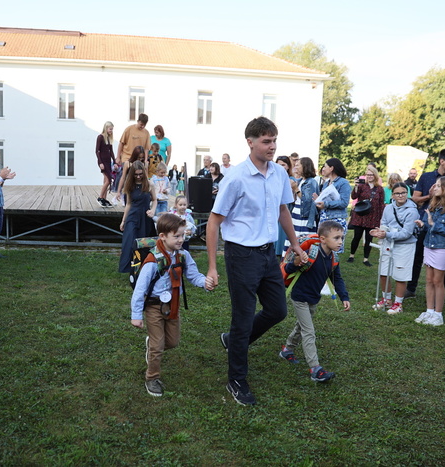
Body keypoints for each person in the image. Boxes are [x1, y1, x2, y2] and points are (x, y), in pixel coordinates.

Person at [206, 116, 307, 406]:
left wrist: (296, 245)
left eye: (274, 140)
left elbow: (283, 210)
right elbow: (213, 222)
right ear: (250, 143)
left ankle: (234, 341)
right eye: (266, 141)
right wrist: (212, 266)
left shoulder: (278, 174)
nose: (272, 146)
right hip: (241, 255)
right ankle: (236, 379)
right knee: (242, 317)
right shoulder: (236, 177)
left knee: (277, 310)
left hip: (267, 254)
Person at [130, 213, 211, 396]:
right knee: (158, 347)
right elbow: (140, 290)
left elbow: (193, 276)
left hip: (173, 305)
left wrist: (205, 283)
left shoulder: (183, 255)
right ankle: (152, 378)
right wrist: (136, 315)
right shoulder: (152, 261)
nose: (181, 239)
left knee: (172, 342)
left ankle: (152, 346)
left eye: (183, 235)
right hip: (153, 307)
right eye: (176, 236)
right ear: (163, 236)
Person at [279, 221, 350, 382]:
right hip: (300, 297)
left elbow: (337, 279)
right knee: (308, 331)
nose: (340, 241)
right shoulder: (310, 253)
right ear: (323, 239)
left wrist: (344, 297)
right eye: (336, 238)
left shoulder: (334, 258)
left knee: (301, 326)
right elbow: (290, 268)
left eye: (342, 238)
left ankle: (287, 349)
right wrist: (296, 262)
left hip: (313, 298)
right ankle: (315, 369)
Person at [406, 148, 445, 298]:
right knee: (417, 257)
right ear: (442, 161)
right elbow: (415, 199)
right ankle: (410, 289)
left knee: (442, 262)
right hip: (425, 223)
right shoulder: (426, 177)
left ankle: (440, 292)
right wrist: (429, 196)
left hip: (444, 226)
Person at [414, 176, 445, 326]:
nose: (434, 188)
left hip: (443, 247)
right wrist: (423, 224)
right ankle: (429, 311)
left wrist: (433, 224)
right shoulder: (434, 204)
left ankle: (438, 314)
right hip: (429, 245)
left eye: (437, 185)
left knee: (438, 281)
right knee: (429, 280)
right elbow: (428, 224)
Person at [369, 182, 419, 314]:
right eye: (397, 193)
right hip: (388, 242)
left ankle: (398, 303)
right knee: (383, 272)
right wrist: (380, 232)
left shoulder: (412, 211)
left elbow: (406, 233)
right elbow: (384, 223)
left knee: (400, 274)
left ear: (407, 194)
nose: (400, 195)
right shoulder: (388, 208)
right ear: (392, 195)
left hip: (404, 245)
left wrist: (387, 234)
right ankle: (386, 299)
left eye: (403, 193)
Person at [119, 161, 157, 273]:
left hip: (145, 217)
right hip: (132, 216)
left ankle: (143, 268)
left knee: (143, 244)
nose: (139, 176)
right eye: (136, 174)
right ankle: (128, 268)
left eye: (140, 174)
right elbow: (128, 204)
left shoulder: (149, 184)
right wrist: (123, 221)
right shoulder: (129, 185)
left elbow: (155, 200)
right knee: (129, 241)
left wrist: (153, 210)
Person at [348, 166, 385, 266]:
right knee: (356, 237)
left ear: (375, 175)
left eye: (371, 174)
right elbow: (354, 196)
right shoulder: (361, 186)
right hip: (360, 216)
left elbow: (381, 204)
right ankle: (351, 255)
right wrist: (356, 186)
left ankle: (366, 259)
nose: (369, 176)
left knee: (369, 238)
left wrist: (381, 217)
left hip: (373, 217)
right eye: (368, 175)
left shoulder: (380, 189)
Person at [314, 158, 351, 253]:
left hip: (336, 219)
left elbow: (344, 202)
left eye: (325, 166)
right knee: (322, 248)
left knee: (334, 251)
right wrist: (319, 200)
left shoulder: (343, 183)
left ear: (331, 168)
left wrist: (326, 204)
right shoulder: (326, 183)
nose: (323, 169)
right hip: (324, 218)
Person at [289, 157, 319, 239]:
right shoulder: (299, 181)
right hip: (296, 212)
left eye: (297, 165)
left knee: (303, 239)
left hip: (304, 215)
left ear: (305, 166)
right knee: (294, 238)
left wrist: (296, 189)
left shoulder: (311, 182)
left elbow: (307, 201)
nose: (295, 167)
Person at [96, 121, 116, 207]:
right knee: (108, 180)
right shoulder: (100, 137)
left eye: (112, 129)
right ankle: (100, 197)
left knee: (105, 180)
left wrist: (114, 162)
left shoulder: (109, 138)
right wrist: (100, 162)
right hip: (103, 162)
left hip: (108, 162)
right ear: (106, 128)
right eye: (110, 129)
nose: (111, 131)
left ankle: (104, 198)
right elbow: (97, 151)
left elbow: (111, 151)